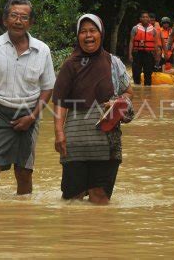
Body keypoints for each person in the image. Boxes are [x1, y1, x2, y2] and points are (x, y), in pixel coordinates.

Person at [0, 0, 56, 194]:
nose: (18, 21)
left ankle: (22, 217)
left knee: (24, 171)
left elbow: (47, 88)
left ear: (31, 22)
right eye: (14, 16)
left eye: (24, 17)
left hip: (29, 113)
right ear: (5, 20)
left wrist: (32, 117)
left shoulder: (42, 50)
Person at [53, 14, 133, 205]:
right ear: (78, 36)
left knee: (100, 198)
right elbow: (59, 101)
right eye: (83, 31)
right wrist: (58, 132)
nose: (88, 35)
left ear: (101, 33)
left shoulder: (113, 63)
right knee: (73, 199)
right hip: (75, 139)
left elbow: (129, 92)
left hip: (106, 141)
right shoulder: (69, 65)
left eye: (92, 31)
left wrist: (118, 101)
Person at [129, 10, 158, 86]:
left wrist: (156, 56)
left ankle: (147, 94)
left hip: (148, 54)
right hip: (137, 53)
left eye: (147, 17)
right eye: (143, 17)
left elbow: (155, 44)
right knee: (136, 73)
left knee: (148, 74)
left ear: (149, 19)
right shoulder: (135, 28)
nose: (145, 18)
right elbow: (131, 42)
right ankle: (137, 90)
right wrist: (130, 54)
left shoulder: (154, 30)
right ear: (140, 19)